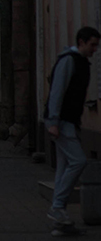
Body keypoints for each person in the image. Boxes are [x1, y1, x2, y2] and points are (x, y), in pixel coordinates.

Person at [45, 25, 101, 230]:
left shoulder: (80, 62)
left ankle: (59, 219)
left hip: (69, 121)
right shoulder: (69, 60)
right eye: (92, 45)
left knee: (62, 168)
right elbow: (57, 91)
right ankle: (58, 206)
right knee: (78, 162)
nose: (95, 49)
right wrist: (53, 121)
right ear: (81, 42)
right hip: (62, 122)